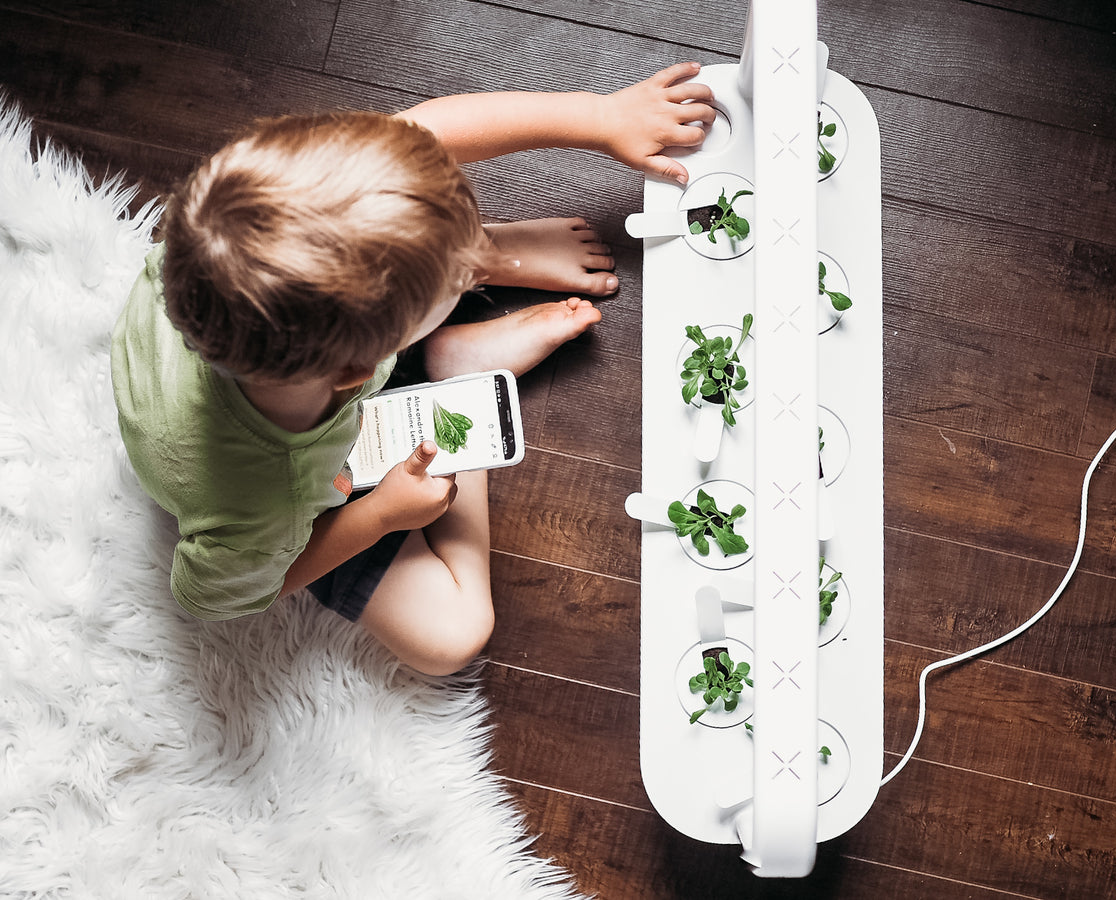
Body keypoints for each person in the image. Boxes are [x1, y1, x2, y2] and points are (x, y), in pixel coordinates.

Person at [111, 62, 716, 676]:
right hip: (307, 486)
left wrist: (600, 116)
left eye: (469, 264)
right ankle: (450, 373)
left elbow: (423, 131)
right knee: (452, 636)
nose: (469, 274)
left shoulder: (239, 213)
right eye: (464, 277)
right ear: (361, 371)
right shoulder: (264, 504)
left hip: (303, 366)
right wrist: (379, 516)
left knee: (408, 228)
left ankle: (448, 292)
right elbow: (215, 596)